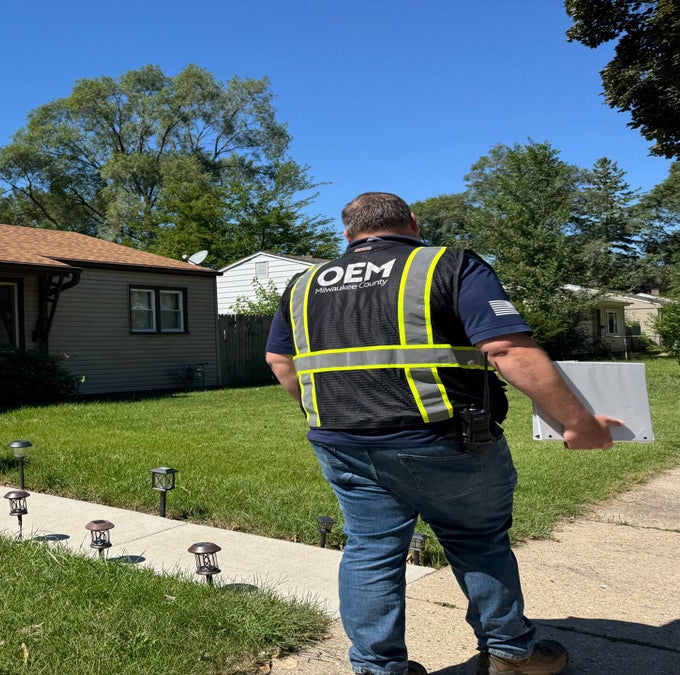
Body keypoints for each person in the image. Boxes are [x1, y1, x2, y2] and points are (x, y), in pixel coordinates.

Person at [264, 192, 622, 675]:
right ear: (412, 223)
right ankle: (510, 655)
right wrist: (580, 423)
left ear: (347, 234)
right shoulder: (448, 265)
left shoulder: (304, 283)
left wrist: (331, 407)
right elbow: (507, 351)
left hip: (343, 443)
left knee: (370, 552)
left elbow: (280, 361)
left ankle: (376, 669)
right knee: (477, 542)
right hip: (446, 442)